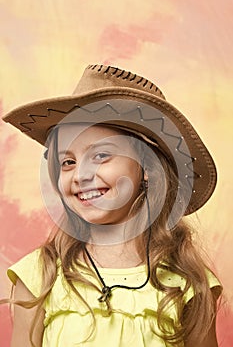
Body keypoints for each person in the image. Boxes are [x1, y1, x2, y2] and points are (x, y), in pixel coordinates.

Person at [2, 64, 222, 347]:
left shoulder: (188, 282)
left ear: (146, 166)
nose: (80, 175)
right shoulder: (40, 276)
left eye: (101, 155)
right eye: (68, 162)